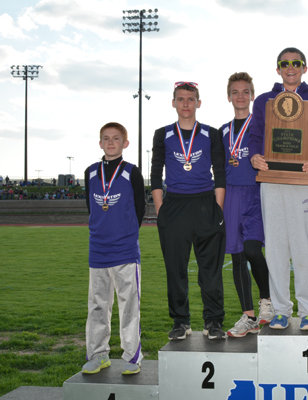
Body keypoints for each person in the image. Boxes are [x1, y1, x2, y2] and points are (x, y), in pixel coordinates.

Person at [249, 47, 308, 331]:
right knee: (276, 248)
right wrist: (254, 156)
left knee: (304, 246)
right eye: (285, 63)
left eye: (296, 63)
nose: (290, 67)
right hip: (271, 180)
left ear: (304, 68)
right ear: (278, 68)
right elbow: (255, 137)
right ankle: (281, 309)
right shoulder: (263, 101)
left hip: (305, 181)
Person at [151, 81, 227, 340]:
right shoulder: (162, 134)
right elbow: (155, 172)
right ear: (173, 102)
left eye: (190, 99)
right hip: (174, 206)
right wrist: (161, 209)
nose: (185, 104)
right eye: (181, 99)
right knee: (176, 269)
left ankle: (213, 321)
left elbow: (220, 171)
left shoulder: (211, 133)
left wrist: (217, 207)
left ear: (198, 103)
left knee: (211, 269)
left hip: (205, 203)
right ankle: (181, 322)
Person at [82, 122, 146, 375]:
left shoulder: (131, 172)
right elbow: (91, 207)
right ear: (100, 143)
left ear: (125, 143)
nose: (110, 142)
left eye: (116, 139)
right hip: (98, 251)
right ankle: (98, 355)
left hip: (125, 251)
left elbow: (140, 208)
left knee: (129, 305)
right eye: (106, 139)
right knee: (97, 306)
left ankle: (132, 357)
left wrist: (126, 234)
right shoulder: (90, 172)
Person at [220, 72, 274, 337]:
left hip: (256, 193)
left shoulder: (261, 127)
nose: (240, 96)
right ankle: (248, 315)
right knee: (238, 257)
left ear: (252, 95)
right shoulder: (222, 132)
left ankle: (267, 301)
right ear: (229, 96)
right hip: (231, 196)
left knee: (253, 249)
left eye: (245, 92)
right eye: (235, 92)